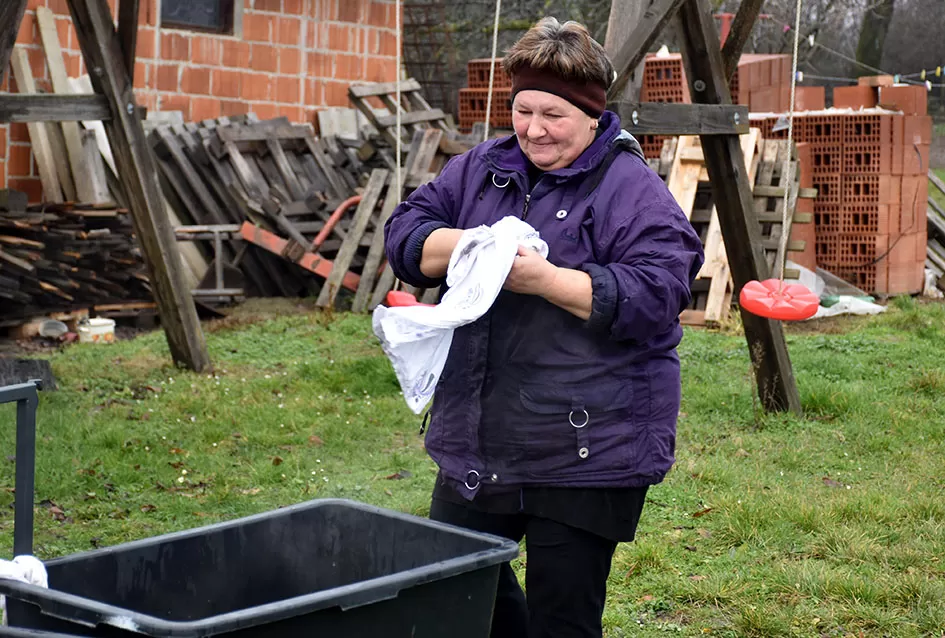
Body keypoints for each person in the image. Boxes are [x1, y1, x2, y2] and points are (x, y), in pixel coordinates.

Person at [383, 17, 705, 638]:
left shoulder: (629, 188)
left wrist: (544, 280)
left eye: (552, 115)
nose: (532, 129)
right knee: (460, 591)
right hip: (478, 436)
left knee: (563, 621)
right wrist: (466, 247)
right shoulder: (483, 167)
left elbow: (661, 290)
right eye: (523, 110)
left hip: (589, 445)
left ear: (591, 114)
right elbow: (406, 230)